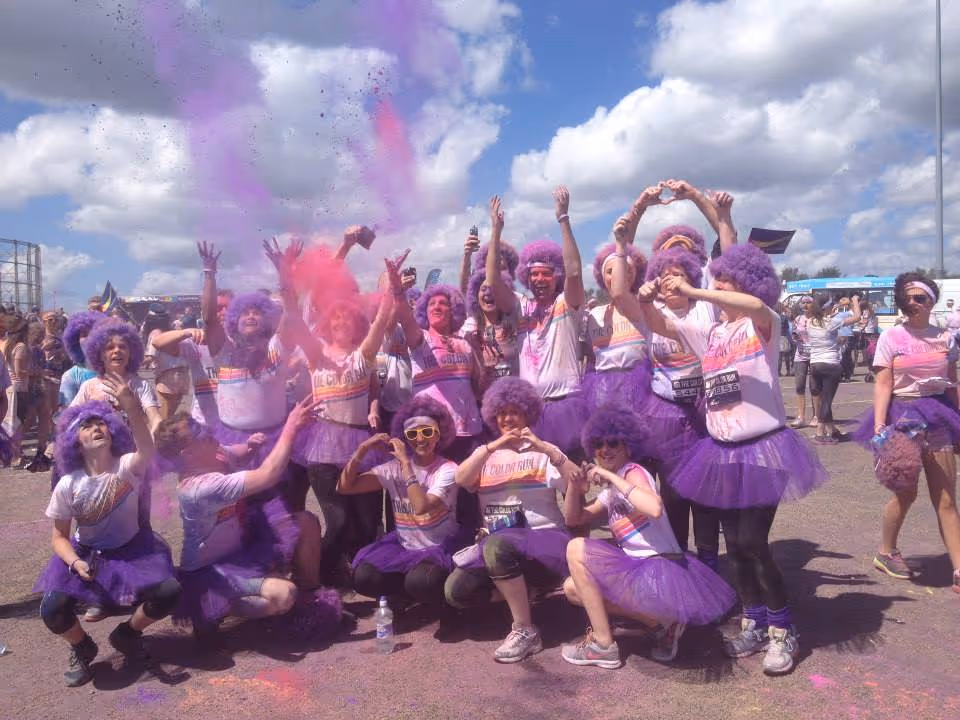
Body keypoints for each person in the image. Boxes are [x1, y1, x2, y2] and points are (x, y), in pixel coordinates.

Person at [633, 239, 828, 676]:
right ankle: (754, 620)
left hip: (764, 448)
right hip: (722, 452)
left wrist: (697, 290)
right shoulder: (713, 334)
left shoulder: (765, 325)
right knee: (734, 549)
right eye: (715, 278)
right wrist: (646, 301)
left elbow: (752, 304)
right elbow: (662, 328)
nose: (714, 285)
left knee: (753, 544)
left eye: (723, 280)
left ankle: (783, 629)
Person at [560, 406, 735, 668]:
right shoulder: (612, 491)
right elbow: (575, 519)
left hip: (660, 570)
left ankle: (603, 644)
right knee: (572, 589)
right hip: (640, 572)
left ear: (628, 445)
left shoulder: (634, 472)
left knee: (576, 548)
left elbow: (653, 508)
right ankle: (662, 624)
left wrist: (608, 475)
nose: (604, 449)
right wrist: (574, 488)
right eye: (598, 444)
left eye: (612, 443)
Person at [34, 390, 181, 687]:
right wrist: (74, 562)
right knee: (51, 609)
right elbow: (59, 537)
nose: (96, 427)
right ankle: (81, 647)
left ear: (113, 432)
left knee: (170, 592)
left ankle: (127, 634)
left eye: (102, 423)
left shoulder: (127, 466)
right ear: (75, 440)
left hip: (131, 552)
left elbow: (147, 450)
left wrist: (130, 407)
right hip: (86, 554)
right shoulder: (67, 484)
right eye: (87, 425)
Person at [608, 197, 721, 571]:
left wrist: (704, 203)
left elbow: (727, 245)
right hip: (666, 414)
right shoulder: (648, 313)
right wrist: (624, 243)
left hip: (707, 411)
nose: (674, 276)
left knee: (706, 494)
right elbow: (619, 293)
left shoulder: (709, 306)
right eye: (666, 269)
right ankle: (679, 562)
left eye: (683, 265)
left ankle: (709, 562)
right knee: (673, 494)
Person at [155, 401, 332, 636]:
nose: (206, 432)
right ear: (188, 454)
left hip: (242, 554)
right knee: (283, 595)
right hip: (210, 572)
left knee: (306, 522)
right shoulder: (199, 489)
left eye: (199, 426)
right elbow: (268, 474)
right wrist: (291, 426)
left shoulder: (212, 454)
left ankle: (310, 594)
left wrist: (250, 447)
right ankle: (214, 606)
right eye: (197, 433)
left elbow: (235, 451)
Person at [444, 377, 580, 663]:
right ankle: (525, 592)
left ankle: (525, 630)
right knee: (455, 592)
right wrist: (493, 447)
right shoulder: (485, 455)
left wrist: (547, 450)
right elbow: (460, 478)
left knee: (497, 547)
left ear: (527, 414)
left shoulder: (543, 451)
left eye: (514, 412)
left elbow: (576, 479)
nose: (507, 418)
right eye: (501, 413)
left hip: (544, 539)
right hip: (500, 539)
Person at [851, 272, 960, 593]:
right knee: (906, 492)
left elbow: (953, 382)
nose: (913, 303)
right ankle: (886, 551)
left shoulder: (946, 338)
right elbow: (883, 384)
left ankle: (958, 568)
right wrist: (879, 428)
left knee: (946, 498)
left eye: (920, 298)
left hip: (939, 416)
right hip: (903, 417)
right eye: (907, 298)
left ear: (932, 301)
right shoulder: (891, 338)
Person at [285, 263, 393, 581]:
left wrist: (392, 291)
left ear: (356, 322)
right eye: (335, 317)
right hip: (321, 448)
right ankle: (319, 578)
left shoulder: (363, 357)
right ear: (326, 324)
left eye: (346, 317)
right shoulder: (316, 356)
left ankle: (371, 577)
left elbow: (380, 326)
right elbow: (295, 322)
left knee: (369, 521)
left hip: (361, 443)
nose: (341, 321)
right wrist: (285, 282)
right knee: (339, 520)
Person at [485, 188, 587, 458]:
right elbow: (493, 280)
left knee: (574, 486)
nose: (539, 279)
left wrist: (563, 218)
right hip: (529, 411)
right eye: (533, 275)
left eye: (546, 274)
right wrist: (495, 231)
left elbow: (575, 270)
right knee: (535, 488)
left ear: (557, 277)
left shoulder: (568, 303)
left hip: (567, 406)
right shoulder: (519, 306)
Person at [340, 396, 464, 609]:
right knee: (363, 577)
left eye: (427, 432)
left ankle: (440, 601)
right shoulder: (393, 468)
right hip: (405, 547)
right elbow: (345, 487)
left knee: (421, 583)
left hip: (439, 547)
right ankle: (405, 595)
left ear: (438, 436)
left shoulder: (448, 469)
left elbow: (421, 507)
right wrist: (362, 450)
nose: (420, 439)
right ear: (405, 438)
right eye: (413, 434)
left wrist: (406, 465)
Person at [393, 277, 483, 463]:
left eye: (443, 303)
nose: (436, 307)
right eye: (431, 304)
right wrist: (399, 294)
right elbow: (406, 320)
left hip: (468, 431)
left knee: (468, 490)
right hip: (432, 434)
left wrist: (485, 363)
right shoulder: (420, 340)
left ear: (453, 311)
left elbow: (478, 388)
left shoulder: (465, 344)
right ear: (424, 312)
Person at [581, 214, 650, 412]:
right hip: (603, 397)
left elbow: (620, 292)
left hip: (639, 395)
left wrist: (621, 242)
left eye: (627, 269)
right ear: (603, 277)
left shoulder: (643, 307)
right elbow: (588, 356)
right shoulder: (594, 314)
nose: (619, 275)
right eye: (610, 271)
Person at [70, 318, 162, 432]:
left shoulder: (140, 385)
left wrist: (157, 433)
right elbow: (71, 418)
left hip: (134, 446)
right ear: (100, 355)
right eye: (109, 347)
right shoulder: (89, 386)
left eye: (123, 347)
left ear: (131, 353)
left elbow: (154, 417)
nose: (117, 350)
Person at [806, 294, 861, 443]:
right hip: (831, 364)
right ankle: (820, 431)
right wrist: (854, 301)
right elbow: (857, 317)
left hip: (815, 364)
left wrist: (833, 309)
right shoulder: (832, 322)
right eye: (831, 305)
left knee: (824, 398)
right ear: (827, 308)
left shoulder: (810, 321)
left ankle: (832, 430)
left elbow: (825, 335)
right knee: (827, 400)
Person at [142, 304, 190, 420]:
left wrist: (132, 361)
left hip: (167, 378)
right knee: (171, 416)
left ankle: (161, 438)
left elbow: (150, 357)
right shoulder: (172, 333)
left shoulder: (155, 334)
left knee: (162, 420)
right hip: (183, 376)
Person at [59, 311, 105, 407]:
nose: (89, 338)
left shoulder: (118, 369)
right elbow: (67, 415)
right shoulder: (71, 376)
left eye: (93, 333)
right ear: (75, 340)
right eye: (84, 334)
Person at [790, 296, 817, 427]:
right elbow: (794, 335)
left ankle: (816, 416)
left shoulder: (817, 319)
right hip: (800, 355)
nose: (805, 305)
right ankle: (801, 416)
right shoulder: (798, 319)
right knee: (799, 386)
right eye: (803, 303)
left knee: (815, 387)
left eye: (808, 302)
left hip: (815, 356)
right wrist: (795, 337)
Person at [834, 297, 856, 381]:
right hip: (838, 336)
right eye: (841, 303)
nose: (842, 305)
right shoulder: (836, 312)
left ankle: (847, 375)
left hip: (848, 336)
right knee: (839, 356)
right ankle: (841, 374)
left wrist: (849, 303)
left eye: (844, 304)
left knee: (846, 356)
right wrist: (838, 306)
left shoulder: (850, 313)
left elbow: (855, 312)